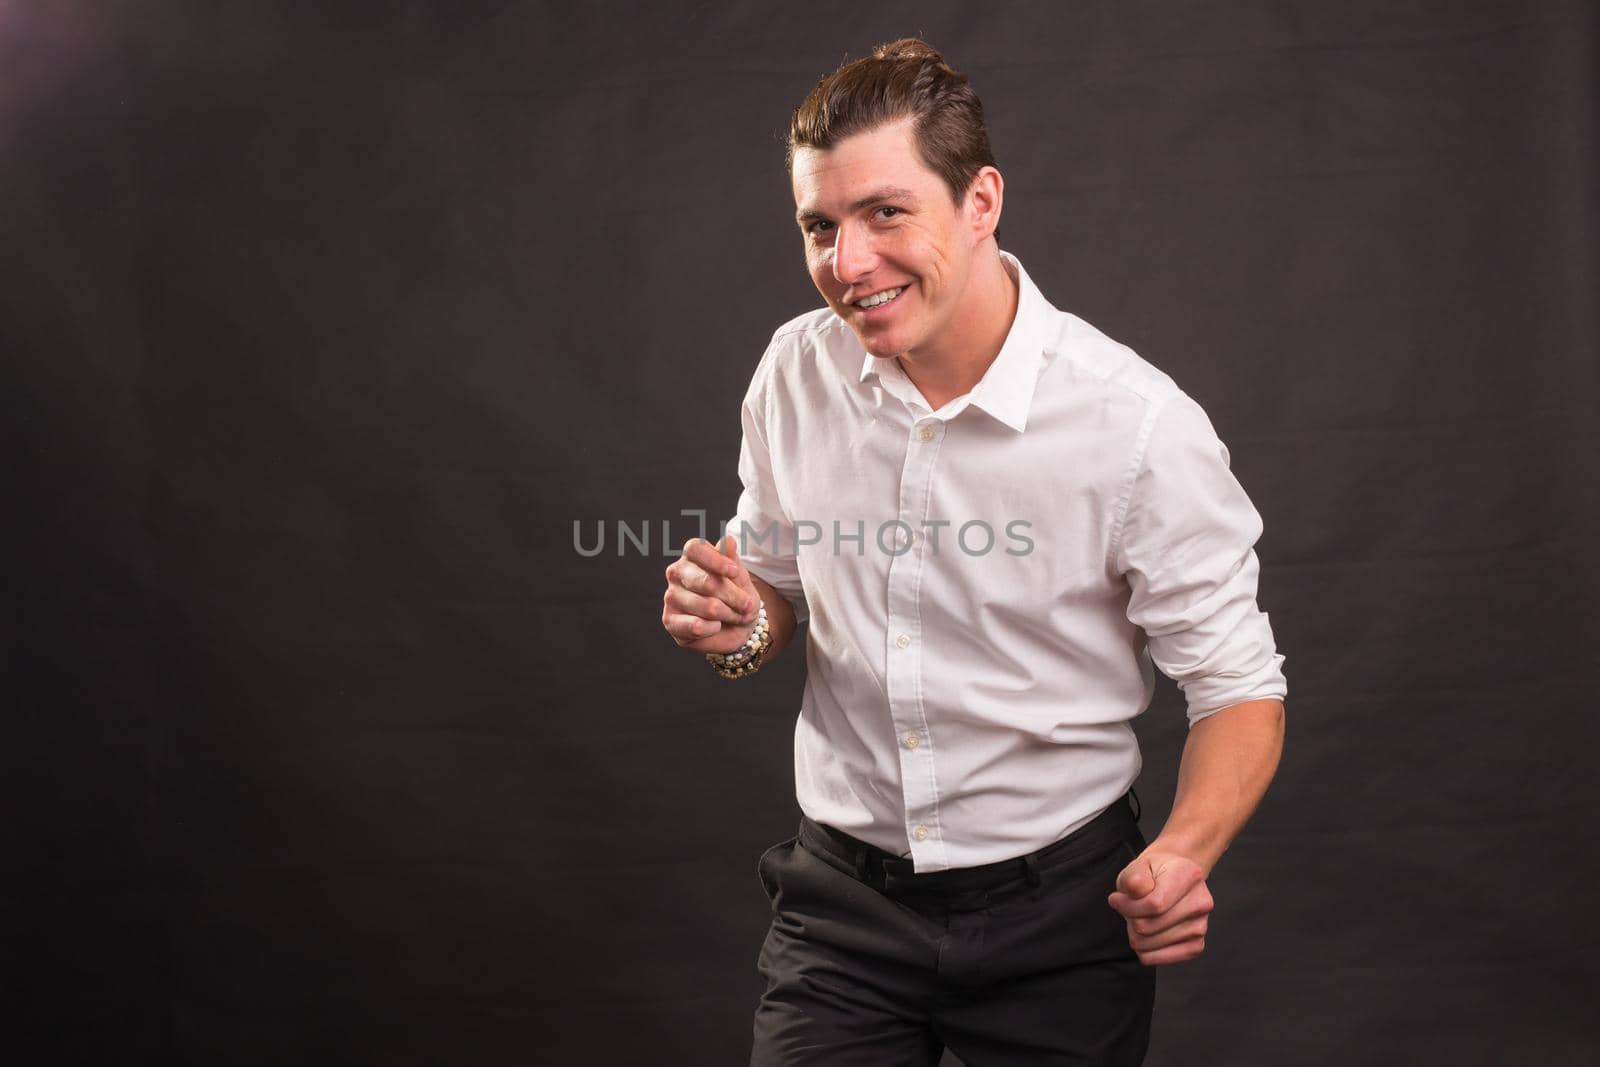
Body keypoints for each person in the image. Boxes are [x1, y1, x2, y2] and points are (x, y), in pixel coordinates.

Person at [661, 38, 1286, 1066]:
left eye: (885, 212)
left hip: (1064, 919)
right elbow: (773, 589)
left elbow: (1239, 688)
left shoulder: (1135, 425)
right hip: (841, 906)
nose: (846, 263)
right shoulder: (793, 371)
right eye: (820, 225)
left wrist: (1183, 849)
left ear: (981, 200)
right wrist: (738, 621)